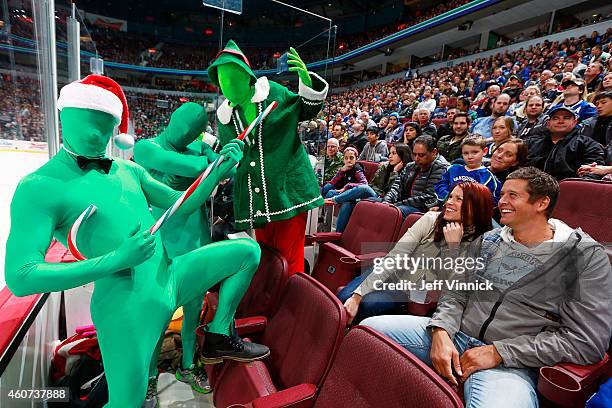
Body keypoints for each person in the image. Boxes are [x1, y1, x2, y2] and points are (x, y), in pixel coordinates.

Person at [4, 75, 269, 407]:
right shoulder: (38, 186)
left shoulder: (126, 170)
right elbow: (21, 276)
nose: (98, 134)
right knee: (126, 402)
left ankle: (217, 336)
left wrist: (218, 169)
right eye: (89, 123)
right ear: (64, 116)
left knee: (247, 252)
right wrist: (116, 259)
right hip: (126, 305)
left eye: (106, 126)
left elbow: (182, 204)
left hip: (169, 278)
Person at [363, 167, 612, 408]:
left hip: (514, 362)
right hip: (457, 335)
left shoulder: (584, 257)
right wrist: (441, 330)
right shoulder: (491, 239)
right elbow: (455, 292)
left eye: (512, 195)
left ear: (541, 203)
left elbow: (586, 342)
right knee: (368, 331)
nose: (501, 201)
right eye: (502, 194)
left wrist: (499, 352)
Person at [208, 41, 327, 275]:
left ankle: (291, 305)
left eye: (233, 77)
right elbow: (228, 155)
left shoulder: (273, 92)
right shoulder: (225, 117)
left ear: (247, 76)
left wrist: (308, 82)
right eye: (222, 80)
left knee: (290, 258)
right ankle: (269, 301)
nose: (227, 84)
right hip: (256, 198)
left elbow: (306, 110)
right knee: (268, 257)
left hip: (289, 191)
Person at [133, 102, 218, 397]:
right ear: (170, 120)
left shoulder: (195, 147)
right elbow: (201, 167)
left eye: (190, 132)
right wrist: (207, 157)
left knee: (194, 309)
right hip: (160, 243)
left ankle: (187, 364)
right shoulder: (147, 147)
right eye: (180, 127)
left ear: (196, 133)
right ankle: (150, 374)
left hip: (195, 239)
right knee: (159, 310)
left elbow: (215, 164)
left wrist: (208, 154)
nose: (182, 134)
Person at [340, 182, 494, 324]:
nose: (449, 203)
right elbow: (395, 258)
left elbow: (456, 290)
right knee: (345, 298)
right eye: (450, 197)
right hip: (392, 275)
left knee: (367, 306)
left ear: (476, 208)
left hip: (409, 295)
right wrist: (357, 296)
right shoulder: (431, 220)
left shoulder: (481, 244)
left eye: (458, 199)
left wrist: (452, 249)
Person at [327, 144, 411, 233]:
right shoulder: (384, 167)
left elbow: (394, 191)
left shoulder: (407, 171)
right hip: (376, 193)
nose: (390, 156)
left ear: (402, 156)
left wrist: (395, 173)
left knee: (363, 188)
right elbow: (373, 184)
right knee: (347, 202)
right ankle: (338, 234)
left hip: (386, 199)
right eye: (390, 153)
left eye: (394, 153)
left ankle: (334, 200)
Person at [526, 106, 605, 180]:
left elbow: (593, 172)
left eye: (566, 118)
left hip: (568, 190)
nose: (560, 121)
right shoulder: (532, 143)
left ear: (574, 123)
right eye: (555, 118)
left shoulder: (587, 144)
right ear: (548, 123)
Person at [384, 135, 449, 216]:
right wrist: (387, 201)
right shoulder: (411, 165)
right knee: (374, 202)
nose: (416, 159)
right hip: (402, 204)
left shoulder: (441, 168)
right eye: (414, 154)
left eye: (421, 155)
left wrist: (396, 205)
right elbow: (396, 186)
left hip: (422, 209)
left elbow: (430, 197)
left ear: (434, 152)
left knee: (394, 211)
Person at [435, 135, 501, 206]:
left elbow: (493, 200)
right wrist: (448, 197)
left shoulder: (488, 176)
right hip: (448, 206)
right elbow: (440, 185)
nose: (470, 157)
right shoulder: (452, 169)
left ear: (484, 151)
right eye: (466, 153)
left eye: (475, 152)